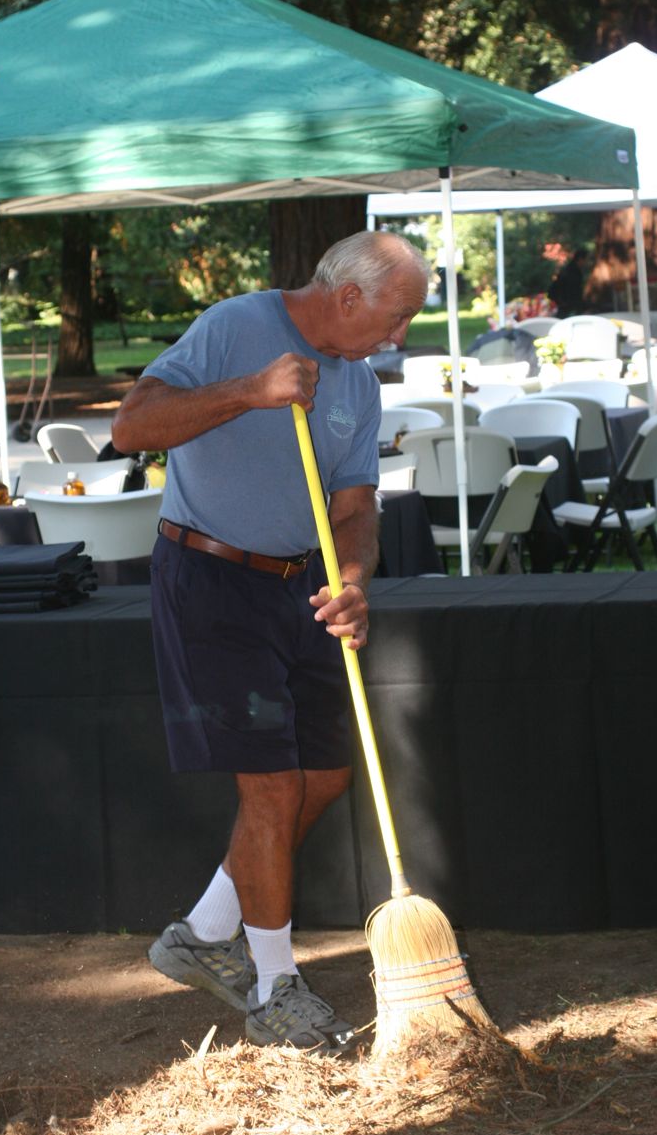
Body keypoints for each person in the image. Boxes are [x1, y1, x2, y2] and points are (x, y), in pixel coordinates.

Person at [111, 230, 429, 1054]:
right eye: (396, 318)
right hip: (211, 581)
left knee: (321, 776)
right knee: (272, 789)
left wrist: (353, 580)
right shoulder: (235, 325)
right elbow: (131, 428)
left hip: (304, 586)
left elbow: (355, 509)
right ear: (349, 297)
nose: (398, 338)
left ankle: (203, 931)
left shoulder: (359, 383)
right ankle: (273, 988)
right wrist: (251, 390)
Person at [547, 247, 589, 317]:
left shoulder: (571, 270)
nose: (586, 262)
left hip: (565, 303)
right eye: (585, 259)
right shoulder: (572, 272)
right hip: (566, 305)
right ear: (580, 259)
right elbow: (573, 292)